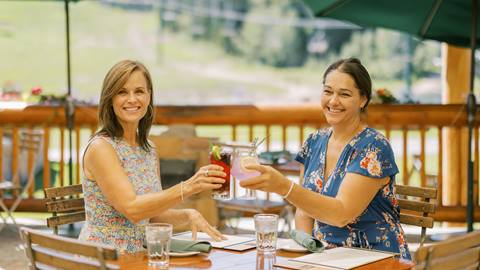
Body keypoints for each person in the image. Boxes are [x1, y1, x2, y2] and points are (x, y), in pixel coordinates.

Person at [240, 58, 411, 260]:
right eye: (328, 91)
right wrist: (305, 252)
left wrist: (283, 186)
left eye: (344, 94)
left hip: (374, 258)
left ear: (363, 100)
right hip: (324, 258)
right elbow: (304, 212)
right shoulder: (314, 142)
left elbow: (342, 214)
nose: (333, 101)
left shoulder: (373, 147)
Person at [79, 60, 226, 253]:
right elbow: (133, 209)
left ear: (149, 96)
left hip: (144, 254)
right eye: (122, 92)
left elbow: (151, 215)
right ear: (110, 99)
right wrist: (189, 186)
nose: (132, 99)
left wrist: (187, 214)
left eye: (139, 91)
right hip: (104, 257)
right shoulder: (101, 148)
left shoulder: (149, 149)